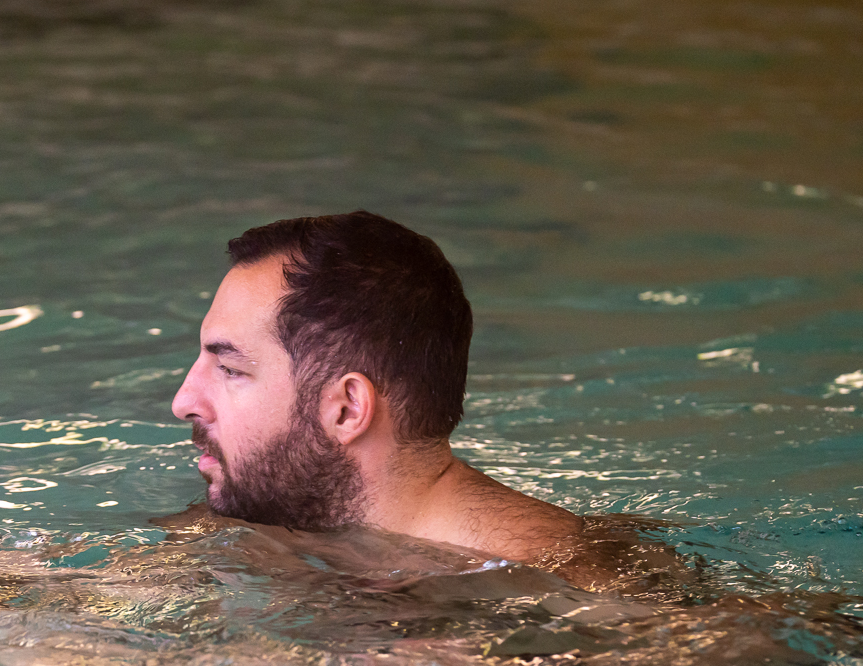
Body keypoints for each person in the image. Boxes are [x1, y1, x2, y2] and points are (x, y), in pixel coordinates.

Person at [171, 210, 585, 566]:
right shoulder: (273, 507)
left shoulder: (560, 594)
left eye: (229, 369)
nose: (183, 402)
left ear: (347, 409)